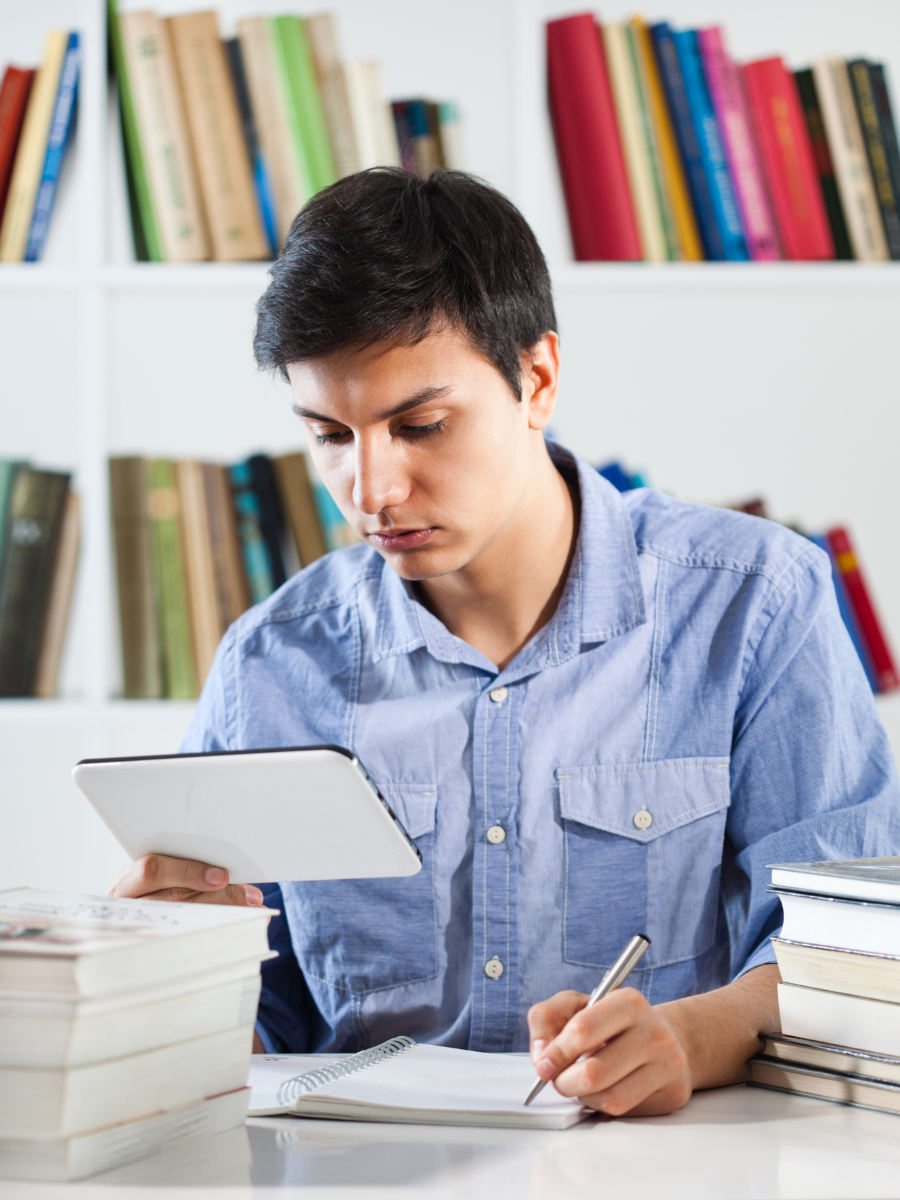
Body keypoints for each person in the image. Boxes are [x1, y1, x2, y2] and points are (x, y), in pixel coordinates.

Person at [111, 168, 900, 1118]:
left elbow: (848, 958)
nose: (373, 489)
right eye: (328, 434)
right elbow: (257, 1033)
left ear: (538, 379)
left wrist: (692, 1037)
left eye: (421, 426)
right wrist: (162, 979)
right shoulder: (270, 665)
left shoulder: (755, 606)